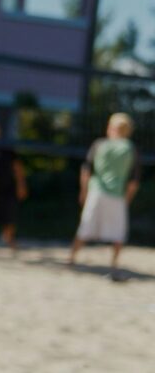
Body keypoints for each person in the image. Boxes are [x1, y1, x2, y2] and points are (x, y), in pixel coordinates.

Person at [69, 112, 141, 275]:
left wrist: (83, 191)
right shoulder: (130, 148)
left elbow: (86, 170)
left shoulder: (99, 144)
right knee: (118, 231)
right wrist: (127, 199)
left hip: (97, 191)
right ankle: (114, 263)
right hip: (117, 194)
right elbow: (134, 181)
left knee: (85, 225)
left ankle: (72, 258)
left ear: (110, 127)